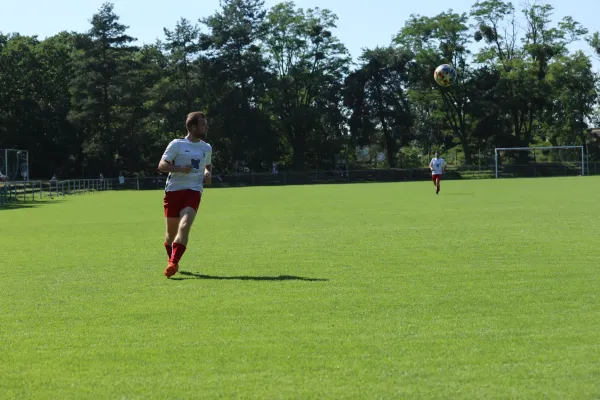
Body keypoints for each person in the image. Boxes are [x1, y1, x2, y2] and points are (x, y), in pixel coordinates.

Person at [157, 112, 212, 278]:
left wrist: (207, 173)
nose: (206, 127)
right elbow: (161, 166)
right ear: (193, 127)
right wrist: (180, 169)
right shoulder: (177, 145)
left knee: (185, 224)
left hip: (194, 190)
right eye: (203, 124)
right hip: (174, 190)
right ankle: (172, 259)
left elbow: (207, 166)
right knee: (170, 236)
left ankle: (173, 263)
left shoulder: (206, 147)